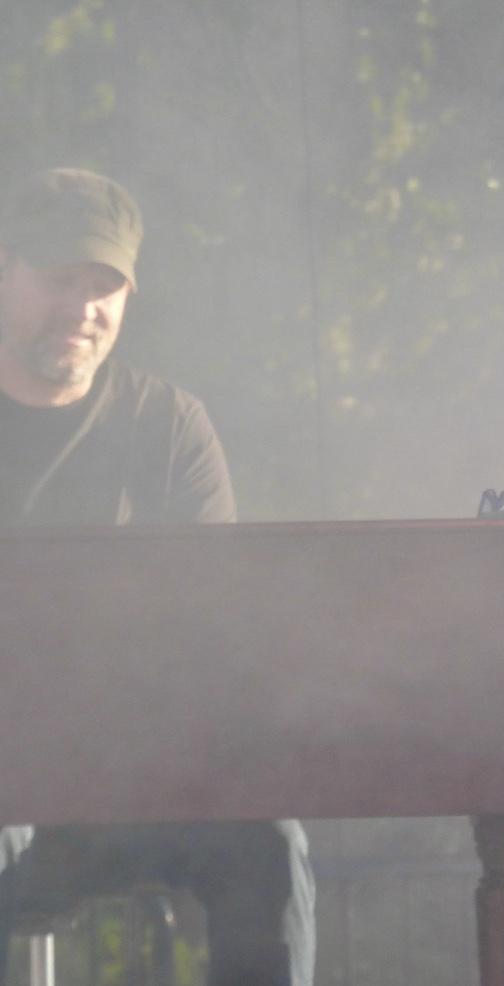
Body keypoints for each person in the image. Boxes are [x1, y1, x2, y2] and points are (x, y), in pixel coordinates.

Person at [0, 167, 315, 985]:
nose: (83, 307)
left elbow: (218, 625)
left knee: (265, 840)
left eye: (104, 285)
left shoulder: (169, 426)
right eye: (60, 278)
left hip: (136, 781)